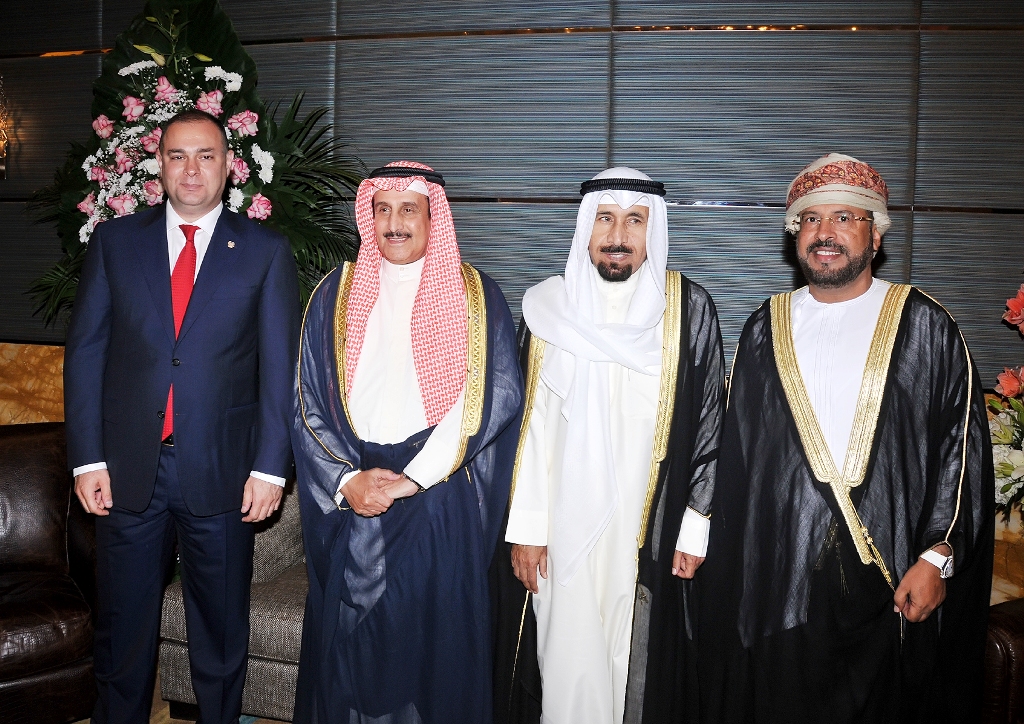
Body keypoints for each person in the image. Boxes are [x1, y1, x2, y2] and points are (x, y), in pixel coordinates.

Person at [698, 153, 993, 724]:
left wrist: (938, 555)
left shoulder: (925, 323)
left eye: (844, 217)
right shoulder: (764, 326)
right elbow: (736, 462)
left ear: (875, 236)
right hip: (783, 583)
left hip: (892, 581)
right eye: (811, 219)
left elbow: (960, 451)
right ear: (796, 235)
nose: (824, 232)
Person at [64, 109, 300, 724]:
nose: (191, 169)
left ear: (229, 166)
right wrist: (87, 459)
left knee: (219, 637)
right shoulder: (116, 242)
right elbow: (86, 353)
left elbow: (279, 370)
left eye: (205, 155)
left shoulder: (265, 251)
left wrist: (269, 469)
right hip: (126, 473)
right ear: (160, 165)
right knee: (121, 635)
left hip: (224, 475)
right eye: (177, 155)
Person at [292, 161, 524, 724]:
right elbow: (305, 399)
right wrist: (346, 480)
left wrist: (415, 477)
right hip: (356, 493)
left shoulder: (475, 295)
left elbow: (492, 394)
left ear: (432, 218)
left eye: (409, 210)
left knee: (433, 651)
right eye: (383, 209)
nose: (394, 223)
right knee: (349, 650)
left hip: (437, 496)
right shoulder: (335, 294)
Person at [494, 168, 725, 724]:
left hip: (648, 524)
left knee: (635, 655)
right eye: (605, 219)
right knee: (565, 656)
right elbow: (530, 428)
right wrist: (527, 529)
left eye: (634, 221)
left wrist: (696, 522)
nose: (618, 235)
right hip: (562, 524)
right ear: (586, 228)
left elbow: (710, 422)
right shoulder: (549, 308)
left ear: (653, 230)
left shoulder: (687, 310)